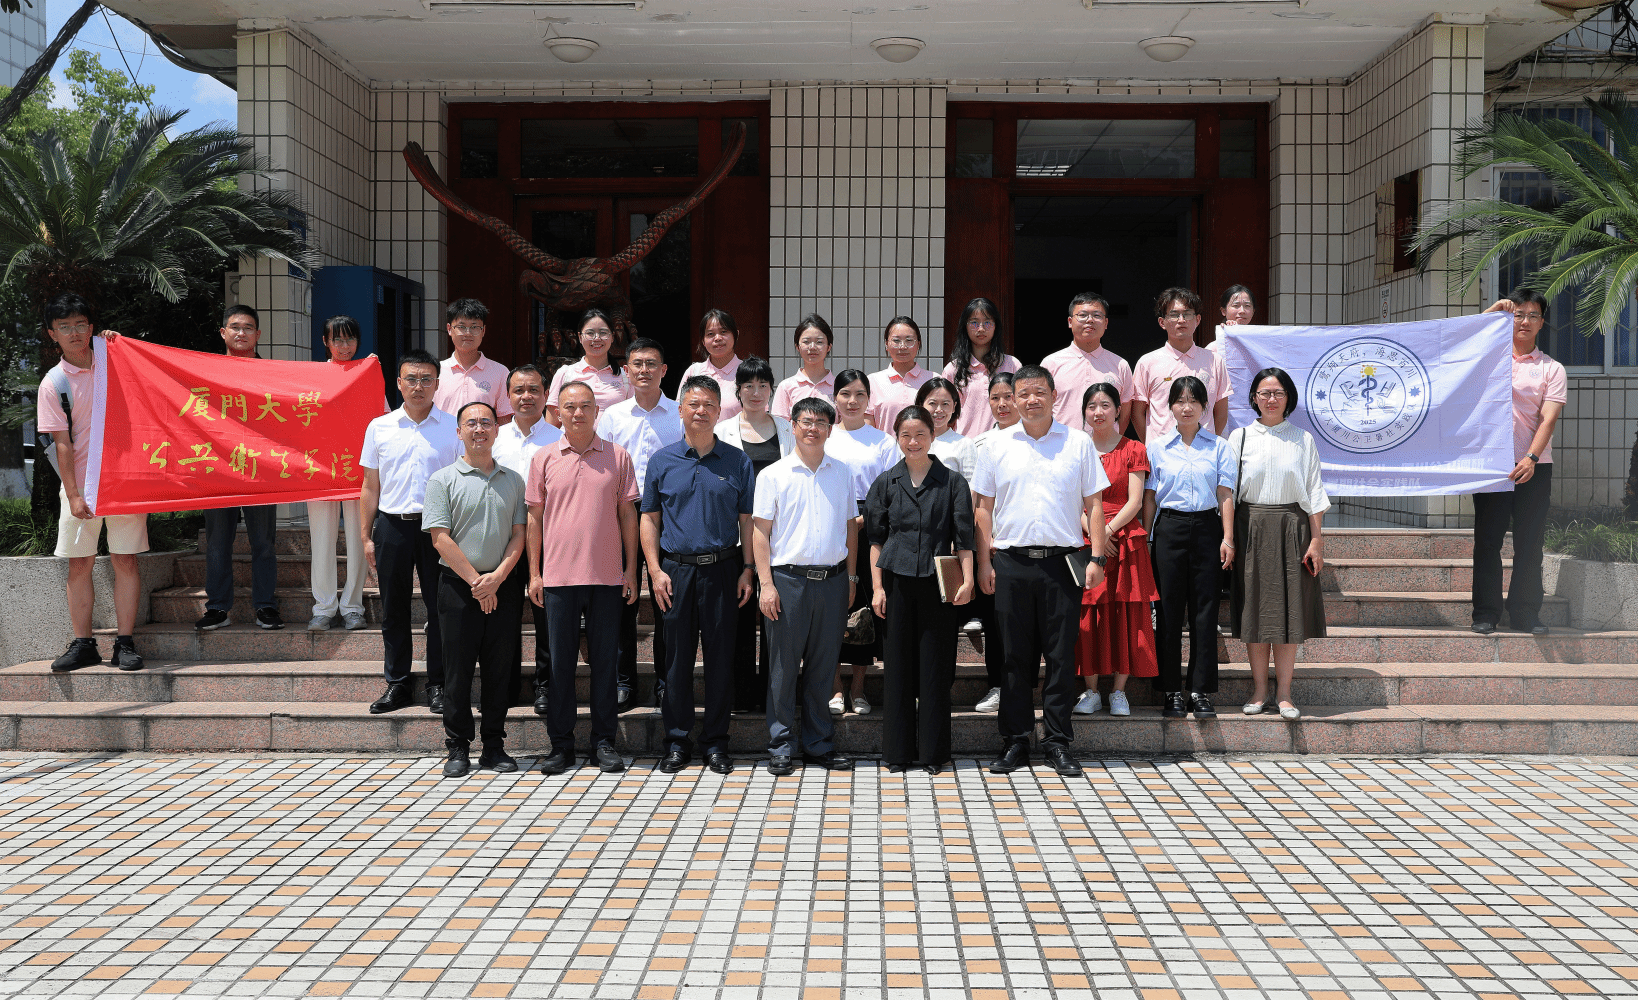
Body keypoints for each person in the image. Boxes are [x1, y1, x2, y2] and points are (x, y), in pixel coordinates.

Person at [972, 365, 1108, 777]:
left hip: (1062, 563)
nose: (1031, 400)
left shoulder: (1078, 442)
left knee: (1061, 656)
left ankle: (1057, 741)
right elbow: (983, 508)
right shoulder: (995, 445)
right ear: (1012, 399)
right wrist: (984, 561)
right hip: (1010, 562)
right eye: (1023, 393)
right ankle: (1015, 740)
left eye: (1039, 392)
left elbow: (1095, 505)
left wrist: (1097, 558)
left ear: (1054, 396)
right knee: (1014, 657)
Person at [642, 375, 756, 775]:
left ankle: (716, 742)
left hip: (724, 570)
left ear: (720, 410)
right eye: (693, 403)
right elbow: (649, 519)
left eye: (709, 404)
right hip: (675, 572)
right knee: (676, 661)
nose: (701, 411)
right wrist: (654, 569)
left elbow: (747, 520)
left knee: (721, 660)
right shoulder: (662, 460)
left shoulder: (737, 460)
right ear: (680, 410)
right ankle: (676, 742)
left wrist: (748, 568)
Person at [527, 381, 640, 775]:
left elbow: (628, 515)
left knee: (605, 663)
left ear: (597, 411)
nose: (578, 413)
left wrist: (631, 569)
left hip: (607, 576)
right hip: (558, 578)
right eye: (570, 406)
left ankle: (603, 742)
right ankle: (561, 745)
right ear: (558, 412)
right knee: (560, 665)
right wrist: (534, 573)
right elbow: (534, 518)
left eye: (585, 406)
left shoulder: (618, 456)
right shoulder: (543, 457)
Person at [37, 293, 148, 673]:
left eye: (80, 324)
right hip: (80, 486)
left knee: (125, 560)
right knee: (79, 564)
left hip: (124, 481)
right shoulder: (53, 383)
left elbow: (148, 381)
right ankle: (83, 644)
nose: (74, 333)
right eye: (64, 326)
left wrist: (118, 345)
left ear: (91, 327)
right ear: (52, 334)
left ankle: (125, 643)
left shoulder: (114, 362)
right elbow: (61, 443)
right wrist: (72, 495)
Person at [752, 396, 858, 776]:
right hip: (788, 581)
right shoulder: (773, 475)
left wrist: (851, 577)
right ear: (793, 426)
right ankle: (780, 745)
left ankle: (818, 744)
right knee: (782, 666)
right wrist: (766, 584)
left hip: (832, 580)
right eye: (806, 422)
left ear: (830, 428)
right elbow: (760, 533)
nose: (813, 428)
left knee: (823, 665)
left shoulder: (842, 472)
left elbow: (850, 527)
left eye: (821, 423)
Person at [866, 405, 975, 774]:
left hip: (938, 583)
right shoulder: (886, 482)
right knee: (897, 667)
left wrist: (968, 579)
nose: (913, 442)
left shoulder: (953, 483)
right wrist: (877, 588)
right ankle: (896, 752)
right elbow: (876, 541)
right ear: (896, 437)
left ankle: (933, 753)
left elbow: (964, 539)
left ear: (933, 436)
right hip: (895, 583)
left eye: (920, 435)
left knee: (935, 667)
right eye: (906, 435)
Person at [423, 401, 528, 778]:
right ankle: (457, 746)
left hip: (503, 585)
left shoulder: (514, 480)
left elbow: (520, 534)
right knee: (458, 670)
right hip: (458, 587)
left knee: (500, 669)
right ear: (459, 432)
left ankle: (494, 746)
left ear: (497, 430)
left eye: (486, 422)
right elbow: (440, 538)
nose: (479, 429)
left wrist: (496, 578)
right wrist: (476, 582)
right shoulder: (442, 480)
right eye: (471, 423)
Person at [360, 350, 461, 715]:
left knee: (441, 607)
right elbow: (370, 486)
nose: (419, 386)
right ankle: (398, 683)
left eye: (426, 380)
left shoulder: (453, 427)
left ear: (437, 384)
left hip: (439, 529)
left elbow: (462, 482)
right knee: (393, 608)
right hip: (392, 526)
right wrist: (366, 536)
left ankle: (438, 684)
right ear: (399, 383)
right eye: (412, 379)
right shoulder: (380, 427)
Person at [1226, 368, 1328, 721]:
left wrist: (1316, 539)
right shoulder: (1239, 437)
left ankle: (1284, 693)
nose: (1271, 399)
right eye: (1264, 393)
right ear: (1253, 397)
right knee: (1255, 613)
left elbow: (1314, 492)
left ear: (1289, 398)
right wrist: (1229, 538)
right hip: (1250, 529)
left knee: (1288, 614)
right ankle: (1259, 691)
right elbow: (1228, 492)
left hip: (1292, 529)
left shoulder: (1303, 439)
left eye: (1278, 393)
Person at [595, 337, 683, 708]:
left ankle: (666, 682)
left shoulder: (680, 413)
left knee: (667, 602)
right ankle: (624, 682)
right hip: (621, 513)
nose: (644, 370)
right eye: (637, 364)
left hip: (670, 515)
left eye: (651, 363)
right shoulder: (612, 417)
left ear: (664, 370)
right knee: (621, 601)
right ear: (627, 371)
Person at [1473, 289, 1566, 636]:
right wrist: (1495, 310)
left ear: (1542, 323)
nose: (1525, 321)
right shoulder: (1489, 359)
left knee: (1530, 543)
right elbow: (1462, 343)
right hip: (1492, 466)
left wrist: (1531, 457)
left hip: (1534, 468)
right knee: (1488, 543)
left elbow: (1548, 419)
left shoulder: (1551, 369)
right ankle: (1485, 613)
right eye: (1518, 314)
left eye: (1533, 315)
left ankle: (1525, 613)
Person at [1143, 375, 1236, 720]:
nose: (1187, 407)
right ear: (1169, 407)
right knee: (1167, 611)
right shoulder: (1157, 448)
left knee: (1205, 611)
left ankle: (1200, 690)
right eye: (1180, 401)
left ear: (1204, 407)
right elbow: (1150, 498)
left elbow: (1225, 495)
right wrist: (1147, 538)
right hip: (1169, 528)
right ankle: (1170, 690)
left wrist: (1228, 538)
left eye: (1194, 400)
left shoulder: (1219, 447)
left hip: (1208, 528)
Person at [195, 304, 284, 632]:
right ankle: (218, 607)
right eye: (235, 327)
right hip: (219, 468)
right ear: (223, 332)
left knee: (264, 542)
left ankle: (266, 606)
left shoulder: (273, 374)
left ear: (258, 334)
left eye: (248, 328)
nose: (241, 333)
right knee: (218, 542)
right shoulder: (205, 372)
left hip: (260, 469)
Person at [714, 356, 794, 712]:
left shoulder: (788, 429)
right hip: (737, 536)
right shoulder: (722, 431)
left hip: (781, 536)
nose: (756, 392)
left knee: (778, 616)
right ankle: (742, 693)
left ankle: (776, 694)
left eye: (763, 385)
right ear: (738, 391)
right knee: (741, 615)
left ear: (772, 390)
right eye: (748, 385)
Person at [1073, 384, 1159, 717]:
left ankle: (1119, 691)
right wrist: (1095, 534)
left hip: (1124, 538)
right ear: (1084, 411)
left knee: (1126, 613)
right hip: (1085, 537)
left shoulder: (1134, 449)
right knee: (1089, 615)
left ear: (1118, 410)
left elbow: (1135, 501)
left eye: (1105, 405)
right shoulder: (1076, 449)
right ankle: (1092, 691)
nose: (1098, 412)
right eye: (1091, 406)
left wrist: (1106, 532)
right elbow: (1071, 501)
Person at [823, 370, 899, 716]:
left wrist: (865, 518)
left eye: (859, 395)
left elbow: (891, 490)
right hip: (828, 526)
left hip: (870, 530)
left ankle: (858, 686)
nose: (852, 401)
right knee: (829, 609)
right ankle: (834, 687)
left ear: (869, 400)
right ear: (834, 398)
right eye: (845, 394)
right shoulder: (823, 435)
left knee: (863, 609)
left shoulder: (883, 441)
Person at [492, 364, 563, 716]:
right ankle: (505, 685)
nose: (526, 396)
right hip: (502, 538)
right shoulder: (494, 437)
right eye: (518, 390)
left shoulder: (559, 438)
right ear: (507, 396)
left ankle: (545, 686)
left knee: (546, 615)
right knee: (504, 617)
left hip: (548, 538)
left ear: (546, 395)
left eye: (534, 389)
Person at [307, 315, 369, 632]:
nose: (344, 346)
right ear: (326, 342)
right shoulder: (313, 377)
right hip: (320, 469)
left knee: (359, 538)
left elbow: (382, 417)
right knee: (321, 538)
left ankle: (353, 607)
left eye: (350, 339)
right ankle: (324, 607)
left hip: (357, 469)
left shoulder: (366, 374)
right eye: (338, 340)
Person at [968, 371, 1019, 712]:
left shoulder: (1038, 438)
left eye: (1008, 396)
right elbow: (975, 502)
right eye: (995, 398)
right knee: (995, 623)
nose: (1002, 404)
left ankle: (1022, 686)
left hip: (1028, 544)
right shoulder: (980, 444)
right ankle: (997, 685)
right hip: (994, 546)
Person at [1132, 288, 1231, 441]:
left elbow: (1221, 412)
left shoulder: (1215, 361)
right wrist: (1154, 446)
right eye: (1174, 315)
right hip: (1162, 451)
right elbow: (1137, 413)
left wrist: (1209, 442)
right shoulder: (1147, 363)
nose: (1181, 320)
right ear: (1162, 322)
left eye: (1187, 314)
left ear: (1197, 320)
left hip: (1205, 449)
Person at [1042, 292, 1135, 433]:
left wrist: (1112, 441)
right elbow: (1042, 408)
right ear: (1070, 321)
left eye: (1097, 315)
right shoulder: (1051, 363)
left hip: (1106, 445)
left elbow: (1125, 412)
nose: (1090, 320)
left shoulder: (1120, 364)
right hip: (1062, 444)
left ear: (1106, 323)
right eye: (1083, 315)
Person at [942, 297, 1020, 439]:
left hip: (1006, 442)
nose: (981, 328)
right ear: (965, 326)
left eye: (987, 322)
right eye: (974, 323)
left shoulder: (1012, 364)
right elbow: (945, 415)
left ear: (996, 326)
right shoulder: (952, 369)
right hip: (966, 444)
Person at [433, 298, 514, 425]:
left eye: (474, 327)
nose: (468, 333)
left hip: (483, 438)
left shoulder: (500, 372)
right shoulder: (436, 372)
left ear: (483, 331)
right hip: (443, 438)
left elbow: (504, 421)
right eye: (461, 327)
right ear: (449, 329)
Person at [546, 309, 633, 425]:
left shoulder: (626, 376)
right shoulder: (565, 374)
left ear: (612, 337)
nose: (597, 338)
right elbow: (551, 425)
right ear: (580, 337)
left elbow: (634, 419)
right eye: (590, 333)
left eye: (603, 333)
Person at [866, 316, 934, 432]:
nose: (903, 346)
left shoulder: (933, 380)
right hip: (884, 444)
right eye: (896, 341)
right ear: (886, 344)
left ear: (918, 344)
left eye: (909, 340)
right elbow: (867, 426)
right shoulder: (872, 381)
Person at [1208, 284, 1257, 438]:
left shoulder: (1261, 345)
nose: (1242, 311)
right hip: (1224, 419)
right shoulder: (1214, 348)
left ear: (1253, 311)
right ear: (1223, 311)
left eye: (1247, 306)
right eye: (1236, 306)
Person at [680, 309, 743, 420]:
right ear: (703, 341)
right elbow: (680, 413)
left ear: (736, 335)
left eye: (723, 332)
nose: (717, 338)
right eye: (710, 334)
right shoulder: (694, 371)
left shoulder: (748, 372)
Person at [771, 314, 837, 419]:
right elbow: (780, 425)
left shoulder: (839, 386)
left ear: (829, 347)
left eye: (819, 342)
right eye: (806, 342)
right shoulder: (786, 387)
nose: (812, 347)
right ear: (798, 347)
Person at [916, 377, 977, 481]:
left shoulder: (964, 444)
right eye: (932, 403)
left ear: (954, 406)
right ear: (921, 404)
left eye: (945, 404)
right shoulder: (909, 441)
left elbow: (970, 485)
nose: (939, 410)